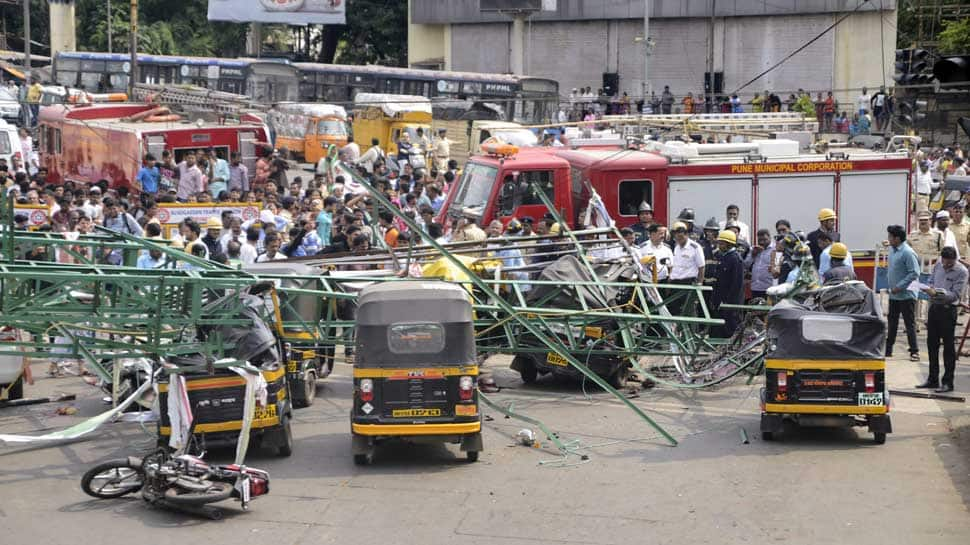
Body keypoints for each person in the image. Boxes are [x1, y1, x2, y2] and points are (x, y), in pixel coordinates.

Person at [917, 247, 967, 393]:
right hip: (934, 309)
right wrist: (928, 287)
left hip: (947, 310)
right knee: (932, 345)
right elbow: (931, 280)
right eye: (944, 262)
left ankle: (947, 382)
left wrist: (940, 293)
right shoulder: (938, 264)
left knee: (948, 348)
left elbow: (956, 295)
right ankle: (932, 379)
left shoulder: (961, 271)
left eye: (949, 264)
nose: (945, 265)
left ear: (954, 260)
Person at [886, 224, 921, 361]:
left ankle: (914, 351)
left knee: (909, 323)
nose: (888, 239)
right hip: (894, 295)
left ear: (897, 238)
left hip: (906, 295)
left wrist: (899, 286)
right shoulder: (893, 250)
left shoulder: (907, 252)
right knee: (892, 322)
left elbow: (914, 273)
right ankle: (888, 349)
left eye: (890, 237)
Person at [668, 222, 706, 315]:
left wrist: (699, 284)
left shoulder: (695, 248)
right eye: (676, 237)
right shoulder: (677, 247)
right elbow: (675, 265)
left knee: (688, 311)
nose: (678, 239)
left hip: (688, 283)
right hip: (675, 283)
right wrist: (670, 279)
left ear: (687, 234)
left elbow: (701, 267)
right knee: (674, 311)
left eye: (681, 236)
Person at [712, 230, 744, 338]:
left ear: (729, 244)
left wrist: (729, 302)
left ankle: (732, 347)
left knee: (731, 324)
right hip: (720, 299)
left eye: (722, 243)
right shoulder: (722, 257)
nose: (719, 245)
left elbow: (737, 284)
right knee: (721, 325)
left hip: (730, 301)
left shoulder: (736, 259)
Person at [745, 228, 774, 300]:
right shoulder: (754, 249)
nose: (762, 242)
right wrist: (753, 255)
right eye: (760, 240)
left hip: (769, 287)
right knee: (756, 309)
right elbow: (746, 265)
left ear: (770, 237)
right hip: (755, 287)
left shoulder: (775, 249)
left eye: (765, 240)